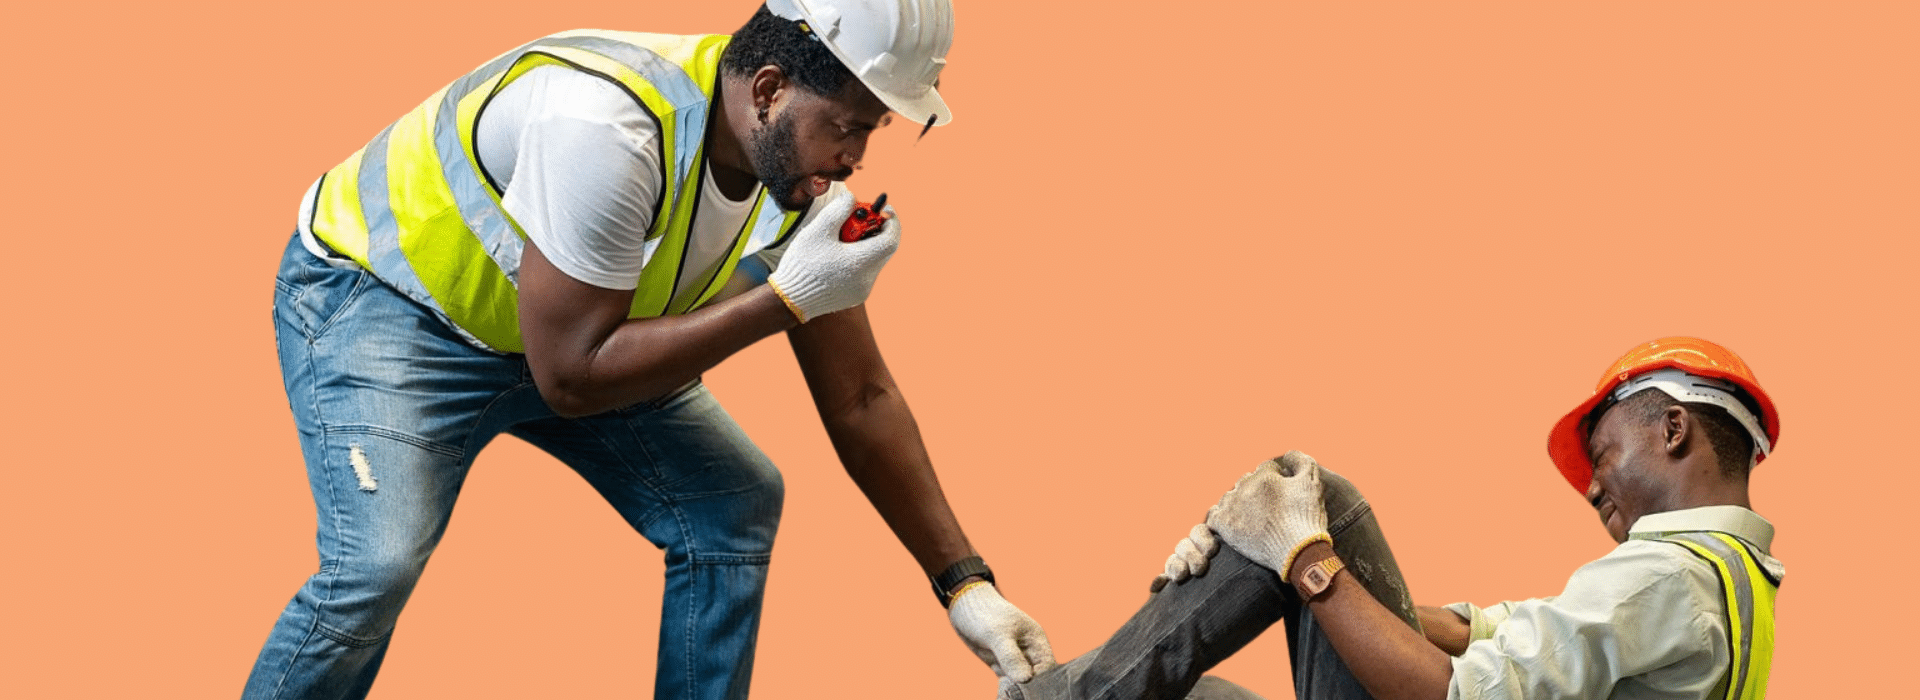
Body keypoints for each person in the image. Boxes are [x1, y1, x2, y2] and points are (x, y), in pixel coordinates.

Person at [243, 2, 1055, 699]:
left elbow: (862, 398)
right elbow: (570, 378)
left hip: (565, 339)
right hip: (390, 309)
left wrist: (964, 584)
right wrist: (784, 299)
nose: (855, 156)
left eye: (873, 127)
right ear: (769, 90)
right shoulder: (608, 127)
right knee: (372, 570)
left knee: (733, 503)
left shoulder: (794, 183)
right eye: (845, 125)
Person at [1007, 337, 1783, 700]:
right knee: (1202, 698)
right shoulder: (1724, 581)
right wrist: (1272, 558)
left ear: (1673, 429)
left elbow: (1448, 694)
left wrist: (1306, 559)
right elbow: (1503, 630)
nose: (1593, 487)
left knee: (1321, 497)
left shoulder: (1663, 580)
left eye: (1602, 454)